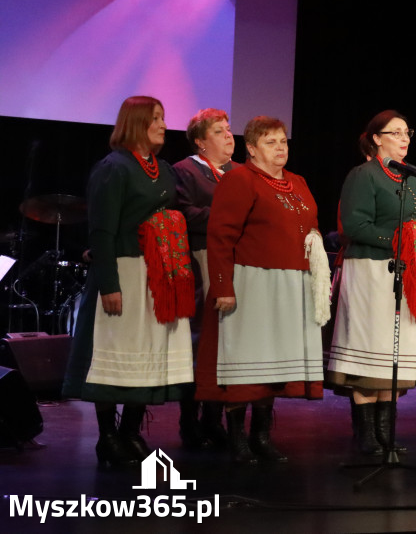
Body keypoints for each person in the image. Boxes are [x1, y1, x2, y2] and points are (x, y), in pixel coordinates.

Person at [63, 96, 195, 467]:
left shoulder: (163, 169)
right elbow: (102, 231)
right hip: (124, 271)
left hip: (157, 272)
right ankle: (107, 436)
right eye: (156, 118)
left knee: (148, 350)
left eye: (163, 118)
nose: (163, 125)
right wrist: (109, 284)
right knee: (114, 350)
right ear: (136, 123)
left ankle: (131, 432)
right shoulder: (114, 168)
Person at [196, 116, 327, 465]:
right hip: (251, 283)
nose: (280, 147)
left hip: (290, 285)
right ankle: (237, 438)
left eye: (283, 141)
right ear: (252, 149)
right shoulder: (240, 180)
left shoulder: (298, 181)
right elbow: (220, 237)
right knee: (245, 362)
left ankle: (262, 435)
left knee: (272, 365)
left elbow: (310, 224)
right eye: (271, 142)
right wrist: (222, 286)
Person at [326, 110, 416, 455]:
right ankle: (365, 433)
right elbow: (355, 226)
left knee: (394, 353)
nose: (404, 139)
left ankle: (385, 431)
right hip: (371, 272)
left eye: (407, 132)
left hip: (409, 273)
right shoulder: (363, 175)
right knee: (371, 351)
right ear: (376, 138)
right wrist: (399, 240)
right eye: (396, 133)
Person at [173, 108, 237, 450]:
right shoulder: (185, 171)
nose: (228, 136)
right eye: (218, 131)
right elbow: (182, 213)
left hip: (236, 261)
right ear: (200, 141)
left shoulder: (239, 173)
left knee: (227, 342)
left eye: (228, 129)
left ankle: (215, 418)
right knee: (201, 339)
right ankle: (189, 419)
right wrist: (227, 217)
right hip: (202, 259)